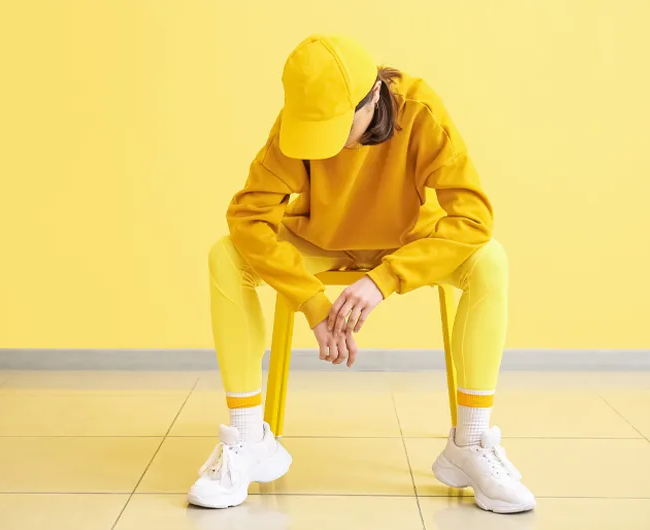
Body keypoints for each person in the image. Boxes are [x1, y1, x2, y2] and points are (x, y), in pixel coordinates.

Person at [188, 34, 535, 514]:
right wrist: (310, 301)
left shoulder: (419, 110)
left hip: (406, 238)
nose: (324, 144)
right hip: (320, 239)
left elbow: (473, 216)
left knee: (490, 258)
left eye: (335, 126)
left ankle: (471, 443)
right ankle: (248, 439)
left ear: (374, 97)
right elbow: (249, 217)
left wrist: (385, 279)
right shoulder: (297, 123)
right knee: (225, 255)